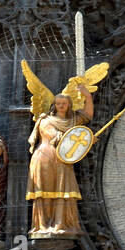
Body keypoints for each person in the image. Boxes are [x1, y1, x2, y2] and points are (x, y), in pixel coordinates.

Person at [26, 92, 84, 237]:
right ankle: (43, 225)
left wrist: (86, 95)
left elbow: (87, 116)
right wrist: (83, 140)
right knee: (45, 193)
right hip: (45, 158)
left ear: (69, 104)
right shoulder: (46, 121)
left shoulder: (71, 121)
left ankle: (62, 223)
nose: (61, 106)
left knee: (65, 192)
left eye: (64, 103)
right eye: (58, 103)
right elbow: (58, 137)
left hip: (63, 159)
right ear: (54, 105)